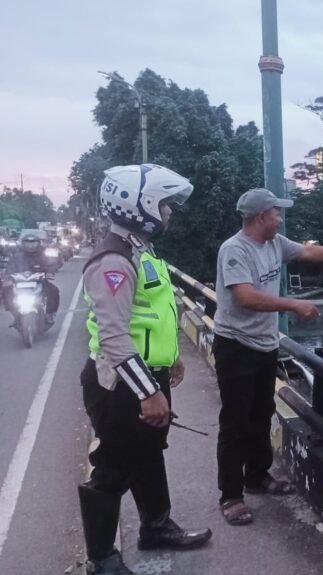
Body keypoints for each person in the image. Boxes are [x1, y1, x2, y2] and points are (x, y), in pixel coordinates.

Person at [213, 187, 323, 525]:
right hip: (236, 345)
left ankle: (257, 476)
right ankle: (230, 495)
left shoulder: (275, 243)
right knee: (236, 422)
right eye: (277, 212)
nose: (281, 217)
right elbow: (244, 297)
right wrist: (293, 304)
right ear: (261, 217)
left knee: (262, 413)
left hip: (264, 342)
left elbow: (310, 253)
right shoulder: (235, 250)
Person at [78, 164, 212, 575]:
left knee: (149, 454)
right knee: (113, 467)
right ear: (140, 205)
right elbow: (116, 337)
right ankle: (101, 559)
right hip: (121, 383)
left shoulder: (141, 250)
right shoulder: (112, 262)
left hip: (145, 375)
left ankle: (155, 527)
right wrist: (148, 393)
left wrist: (170, 359)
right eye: (165, 203)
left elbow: (154, 312)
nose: (170, 211)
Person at [2, 230, 60, 325]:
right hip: (20, 284)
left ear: (38, 244)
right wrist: (8, 275)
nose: (31, 246)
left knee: (54, 291)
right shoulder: (17, 257)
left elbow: (52, 264)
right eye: (28, 243)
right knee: (7, 290)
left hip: (39, 282)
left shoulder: (43, 256)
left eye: (33, 243)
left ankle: (49, 314)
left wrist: (50, 271)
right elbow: (10, 267)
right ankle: (15, 314)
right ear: (23, 244)